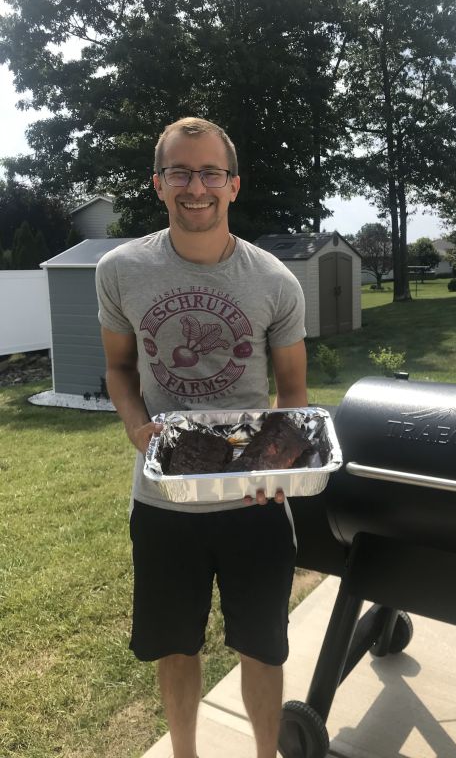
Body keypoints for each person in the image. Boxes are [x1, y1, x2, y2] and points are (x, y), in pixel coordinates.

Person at [95, 116, 308, 758]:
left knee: (263, 646)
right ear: (158, 183)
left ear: (233, 185)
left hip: (254, 502)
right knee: (174, 644)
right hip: (165, 505)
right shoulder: (120, 270)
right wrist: (136, 425)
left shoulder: (274, 280)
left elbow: (293, 390)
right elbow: (119, 368)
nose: (197, 187)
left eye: (210, 172)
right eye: (181, 172)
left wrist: (276, 462)